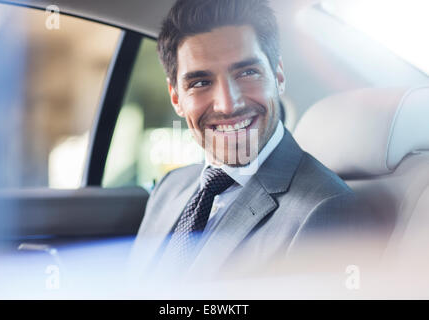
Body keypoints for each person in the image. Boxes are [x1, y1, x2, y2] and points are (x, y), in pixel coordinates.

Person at [129, 0, 381, 280]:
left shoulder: (326, 211)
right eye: (200, 83)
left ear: (278, 76)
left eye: (247, 73)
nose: (227, 105)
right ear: (176, 97)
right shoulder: (169, 188)